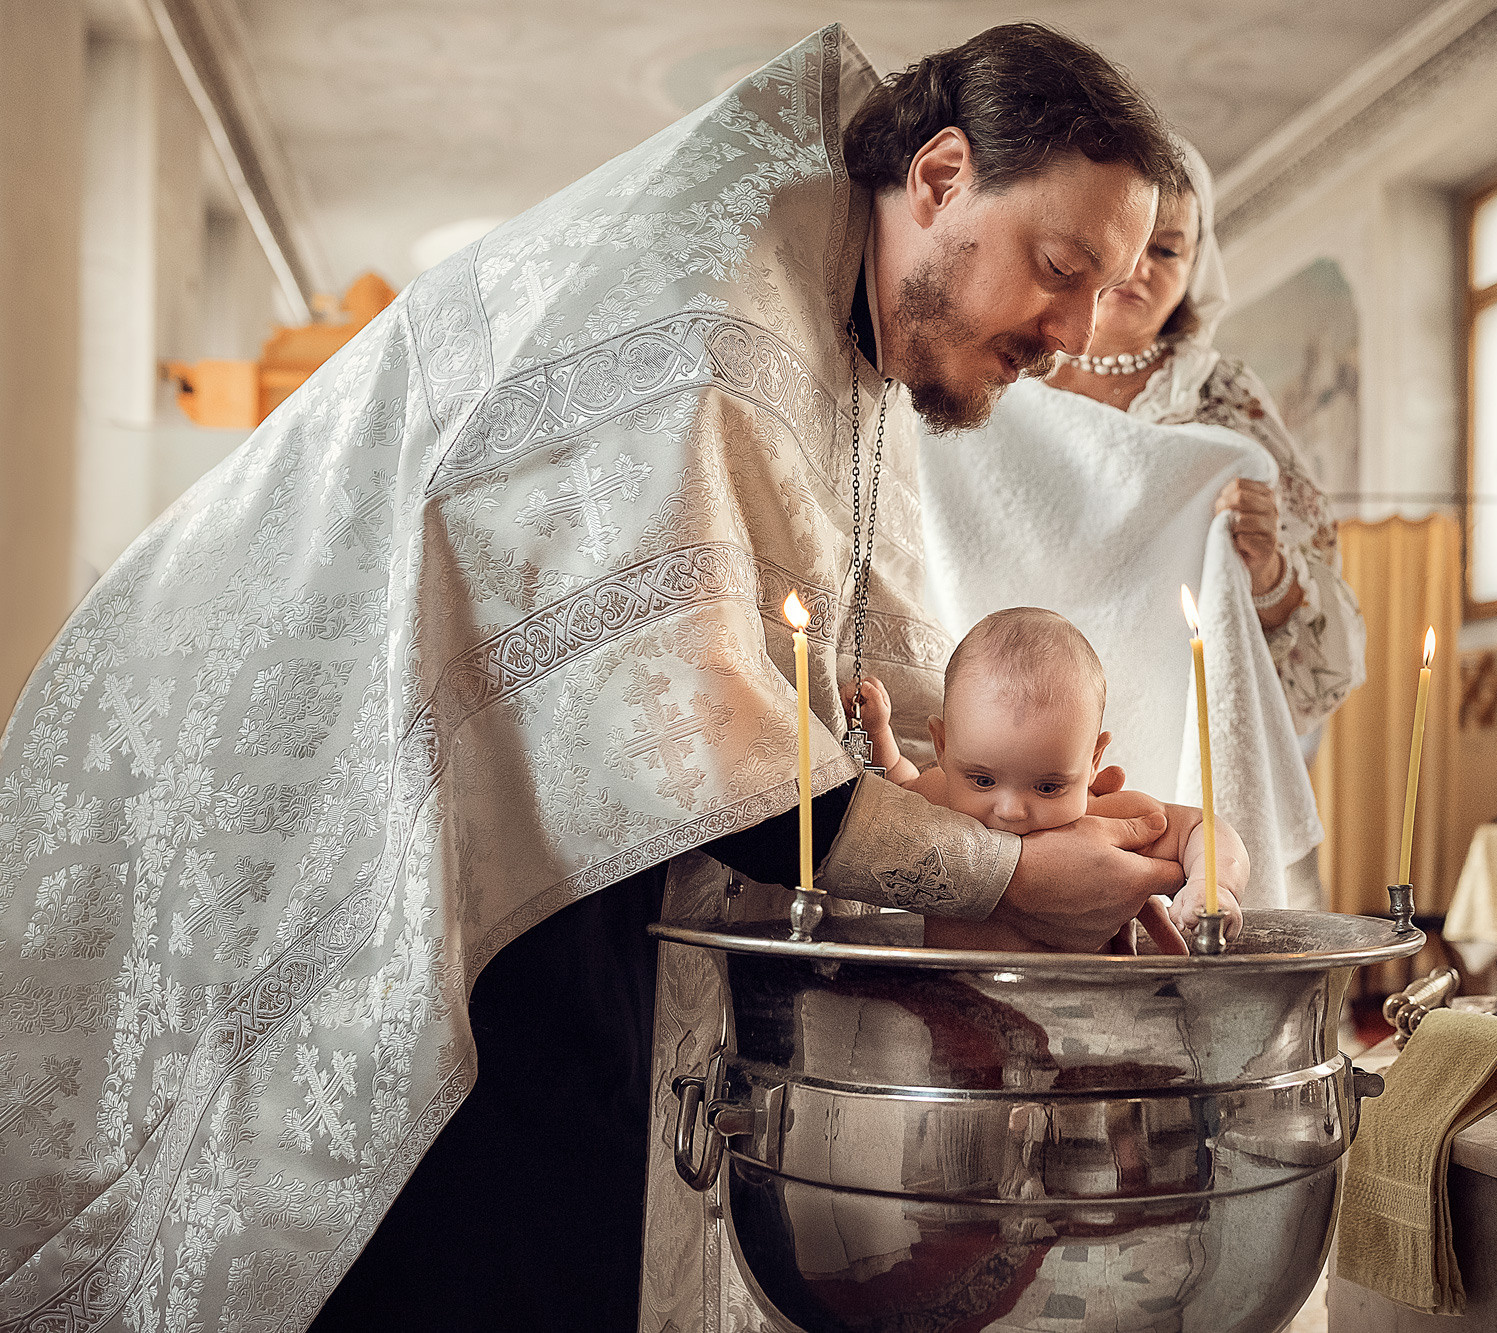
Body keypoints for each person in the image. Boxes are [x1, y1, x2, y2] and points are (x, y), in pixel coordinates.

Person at [0, 24, 1188, 1332]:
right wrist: (1007, 877)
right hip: (390, 855)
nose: (1075, 335)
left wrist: (1043, 814)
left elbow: (852, 688)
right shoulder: (704, 316)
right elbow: (696, 745)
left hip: (556, 872)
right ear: (943, 176)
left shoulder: (836, 304)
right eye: (1063, 268)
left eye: (1106, 295)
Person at [921, 140, 1364, 905]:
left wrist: (1268, 571)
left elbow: (1334, 654)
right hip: (993, 749)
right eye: (1133, 244)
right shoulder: (1005, 359)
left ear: (1199, 263)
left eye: (1172, 249)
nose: (1145, 269)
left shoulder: (1225, 401)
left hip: (1171, 735)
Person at [855, 607, 1246, 953]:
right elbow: (900, 791)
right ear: (942, 746)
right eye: (982, 780)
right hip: (954, 1007)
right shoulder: (940, 796)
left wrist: (1213, 884)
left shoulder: (1112, 819)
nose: (1010, 810)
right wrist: (880, 737)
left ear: (1093, 760)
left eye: (1047, 787)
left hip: (1078, 1014)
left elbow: (1202, 827)